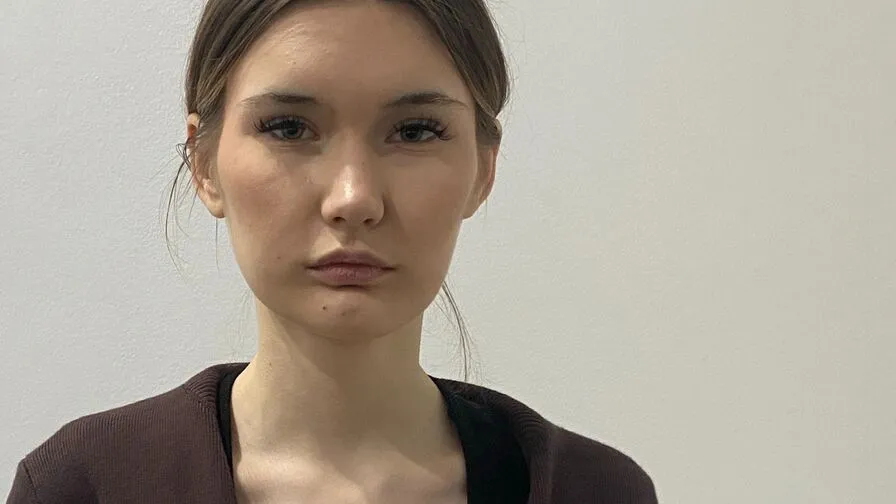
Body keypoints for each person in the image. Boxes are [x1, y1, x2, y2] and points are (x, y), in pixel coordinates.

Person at [7, 1, 657, 502]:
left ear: (483, 169)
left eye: (414, 131)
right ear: (204, 163)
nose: (353, 198)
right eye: (288, 127)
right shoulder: (87, 483)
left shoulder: (591, 490)